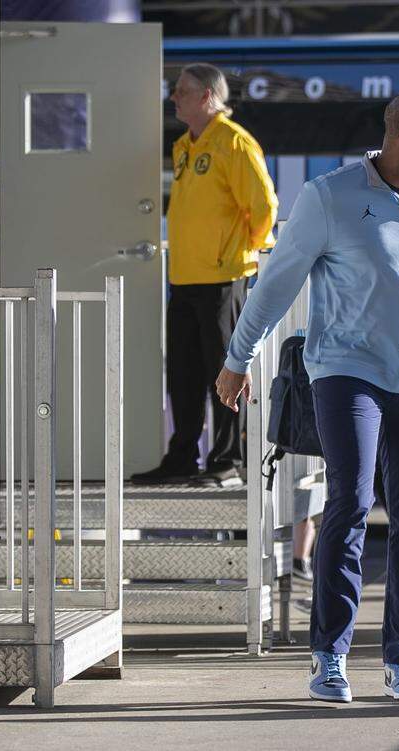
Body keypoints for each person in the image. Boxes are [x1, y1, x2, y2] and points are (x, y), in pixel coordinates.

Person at [214, 89, 399, 702]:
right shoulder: (329, 196)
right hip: (346, 372)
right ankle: (329, 656)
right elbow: (275, 284)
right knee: (352, 501)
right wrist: (238, 358)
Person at [132, 63, 277, 487]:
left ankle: (227, 460)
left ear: (207, 97)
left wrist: (240, 250)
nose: (173, 97)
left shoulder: (234, 142)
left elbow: (265, 205)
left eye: (182, 91)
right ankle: (182, 455)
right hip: (184, 277)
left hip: (222, 277)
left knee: (225, 370)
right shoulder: (185, 145)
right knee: (183, 373)